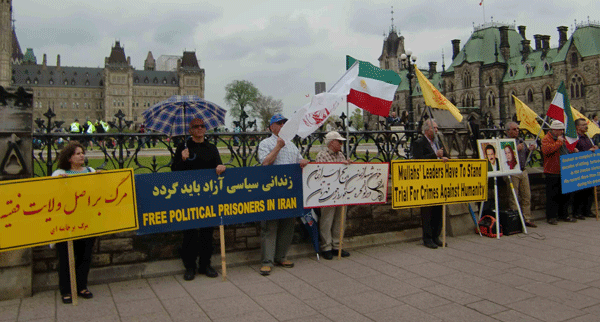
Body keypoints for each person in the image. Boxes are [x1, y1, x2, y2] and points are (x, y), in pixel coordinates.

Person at [171, 118, 226, 281]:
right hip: (189, 195)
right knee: (189, 232)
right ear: (190, 130)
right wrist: (182, 159)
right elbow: (174, 171)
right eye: (196, 127)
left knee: (207, 232)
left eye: (202, 126)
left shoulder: (211, 147)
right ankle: (189, 266)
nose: (200, 129)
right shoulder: (184, 147)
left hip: (208, 195)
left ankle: (205, 264)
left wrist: (221, 168)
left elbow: (219, 165)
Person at [257, 114, 309, 275]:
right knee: (270, 227)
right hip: (271, 191)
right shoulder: (266, 143)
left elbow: (299, 161)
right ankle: (267, 260)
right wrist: (278, 146)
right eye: (279, 123)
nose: (282, 126)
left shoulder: (292, 146)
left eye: (284, 123)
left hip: (289, 192)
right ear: (271, 127)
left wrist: (303, 162)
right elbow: (265, 163)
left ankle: (281, 256)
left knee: (287, 226)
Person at [52, 141, 97, 304]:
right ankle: (66, 289)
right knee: (66, 257)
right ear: (70, 157)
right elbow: (52, 196)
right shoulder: (60, 173)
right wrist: (60, 183)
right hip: (67, 221)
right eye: (78, 153)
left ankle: (81, 286)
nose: (81, 155)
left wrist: (100, 178)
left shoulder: (90, 171)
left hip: (87, 219)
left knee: (85, 255)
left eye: (82, 153)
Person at [411, 119, 449, 249]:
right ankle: (427, 238)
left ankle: (436, 236)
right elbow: (418, 160)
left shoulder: (438, 142)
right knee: (428, 211)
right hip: (426, 181)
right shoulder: (419, 143)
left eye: (437, 128)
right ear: (427, 129)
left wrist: (444, 158)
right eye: (435, 128)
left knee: (439, 209)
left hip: (439, 180)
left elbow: (444, 155)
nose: (437, 130)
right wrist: (434, 155)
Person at [315, 131, 352, 260]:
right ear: (332, 142)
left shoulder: (340, 155)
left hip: (340, 191)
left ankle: (337, 245)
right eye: (339, 141)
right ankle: (327, 247)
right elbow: (322, 172)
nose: (341, 144)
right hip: (328, 192)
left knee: (339, 219)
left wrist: (347, 165)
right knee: (327, 220)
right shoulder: (322, 155)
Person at [542, 120, 575, 225]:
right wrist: (559, 142)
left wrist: (573, 150)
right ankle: (551, 217)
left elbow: (566, 150)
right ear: (554, 130)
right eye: (559, 129)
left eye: (562, 129)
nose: (561, 131)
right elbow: (547, 151)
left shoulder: (563, 138)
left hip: (564, 169)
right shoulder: (546, 139)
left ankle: (564, 214)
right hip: (552, 170)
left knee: (565, 195)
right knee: (552, 195)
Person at [504, 122, 537, 228]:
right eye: (514, 129)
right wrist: (514, 150)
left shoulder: (521, 140)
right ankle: (515, 219)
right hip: (512, 171)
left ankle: (527, 218)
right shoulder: (505, 141)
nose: (517, 131)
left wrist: (531, 149)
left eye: (518, 129)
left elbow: (525, 154)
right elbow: (503, 156)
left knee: (527, 196)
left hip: (523, 170)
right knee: (514, 197)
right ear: (508, 131)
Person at [572, 118, 598, 219]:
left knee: (589, 191)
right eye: (583, 125)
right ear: (577, 127)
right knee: (579, 192)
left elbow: (590, 149)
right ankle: (577, 212)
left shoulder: (587, 137)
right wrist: (588, 151)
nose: (586, 126)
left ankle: (587, 210)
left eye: (585, 124)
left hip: (589, 167)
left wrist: (594, 149)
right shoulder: (575, 138)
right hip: (579, 167)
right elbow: (575, 152)